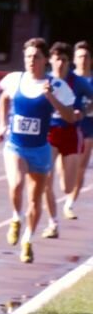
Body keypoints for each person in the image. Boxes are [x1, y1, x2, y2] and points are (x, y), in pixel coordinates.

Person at [0, 38, 74, 263]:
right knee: (17, 184)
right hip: (15, 146)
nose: (31, 60)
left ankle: (28, 239)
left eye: (36, 57)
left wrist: (50, 97)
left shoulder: (56, 86)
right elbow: (4, 98)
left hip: (40, 149)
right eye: (28, 56)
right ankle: (16, 219)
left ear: (45, 60)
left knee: (35, 200)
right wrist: (2, 125)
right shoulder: (15, 79)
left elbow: (69, 117)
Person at [42, 42, 91, 237]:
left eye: (64, 60)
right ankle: (52, 223)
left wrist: (84, 112)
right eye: (57, 59)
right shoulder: (45, 80)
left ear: (69, 62)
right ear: (50, 60)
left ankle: (62, 168)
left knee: (67, 187)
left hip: (71, 133)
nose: (60, 63)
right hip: (50, 133)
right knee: (46, 180)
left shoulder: (78, 82)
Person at [70, 41, 93, 210]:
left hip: (88, 126)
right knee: (65, 167)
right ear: (74, 59)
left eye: (86, 57)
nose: (83, 60)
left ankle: (69, 203)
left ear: (91, 60)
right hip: (68, 125)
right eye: (79, 57)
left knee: (81, 167)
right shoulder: (68, 79)